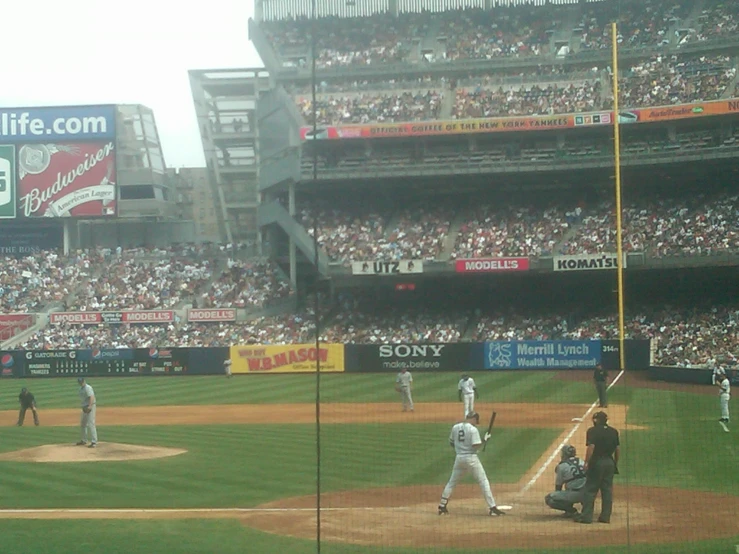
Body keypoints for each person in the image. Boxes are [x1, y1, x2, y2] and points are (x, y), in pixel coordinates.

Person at [438, 412, 506, 517]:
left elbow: (451, 442)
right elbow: (475, 445)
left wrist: (460, 448)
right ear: (474, 419)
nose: (476, 423)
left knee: (452, 482)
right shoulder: (473, 430)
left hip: (459, 458)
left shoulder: (456, 427)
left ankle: (442, 507)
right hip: (471, 459)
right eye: (476, 421)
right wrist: (484, 440)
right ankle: (492, 508)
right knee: (483, 481)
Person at [575, 411, 620, 524]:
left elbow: (591, 447)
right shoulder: (613, 431)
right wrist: (615, 463)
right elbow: (618, 449)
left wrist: (586, 463)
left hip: (597, 463)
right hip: (609, 462)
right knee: (607, 491)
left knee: (590, 489)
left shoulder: (592, 431)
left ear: (595, 420)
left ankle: (586, 517)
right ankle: (605, 517)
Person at [545, 445, 586, 517]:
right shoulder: (581, 461)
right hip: (589, 494)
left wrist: (561, 498)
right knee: (575, 483)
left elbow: (558, 486)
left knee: (549, 498)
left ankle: (570, 511)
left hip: (575, 494)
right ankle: (586, 509)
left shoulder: (562, 466)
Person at [76, 377, 98, 448]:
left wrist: (90, 406)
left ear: (84, 381)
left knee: (91, 423)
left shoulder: (88, 388)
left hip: (90, 406)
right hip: (85, 407)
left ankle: (94, 442)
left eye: (82, 382)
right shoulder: (80, 389)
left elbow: (92, 397)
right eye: (80, 382)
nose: (81, 383)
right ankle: (84, 440)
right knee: (83, 423)